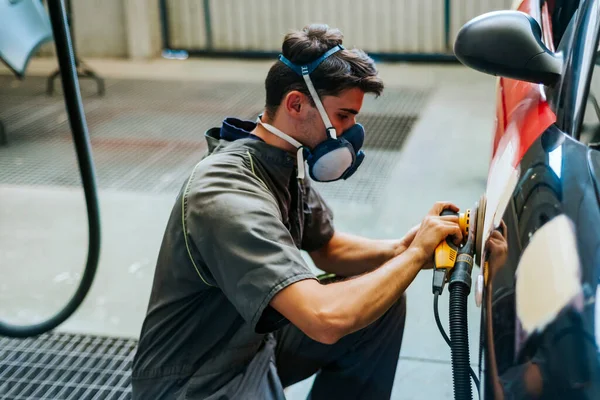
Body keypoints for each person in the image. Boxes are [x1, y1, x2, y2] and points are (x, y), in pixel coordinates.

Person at [131, 24, 463, 400]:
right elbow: (324, 320)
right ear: (296, 105)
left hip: (254, 346)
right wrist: (416, 255)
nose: (350, 133)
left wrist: (406, 248)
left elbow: (329, 248)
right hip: (196, 381)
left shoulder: (285, 162)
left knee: (378, 311)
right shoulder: (226, 193)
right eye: (343, 116)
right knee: (346, 312)